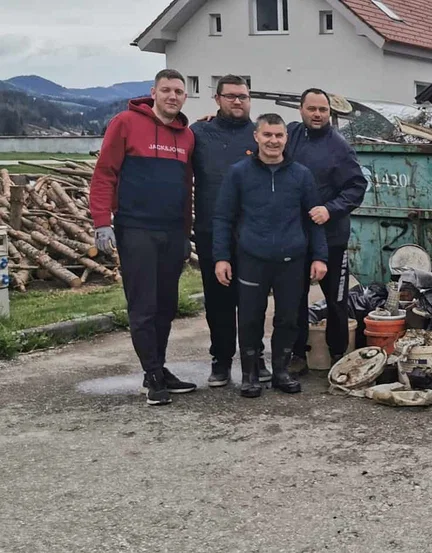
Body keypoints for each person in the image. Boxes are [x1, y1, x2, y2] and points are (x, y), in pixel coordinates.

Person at [90, 69, 197, 406]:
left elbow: (186, 188)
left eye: (178, 91)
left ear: (185, 97)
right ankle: (151, 375)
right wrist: (101, 221)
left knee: (166, 306)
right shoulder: (125, 123)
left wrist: (185, 232)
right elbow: (105, 173)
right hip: (136, 229)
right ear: (153, 92)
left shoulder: (187, 136)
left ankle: (158, 367)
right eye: (166, 90)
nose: (172, 96)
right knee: (144, 306)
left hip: (172, 230)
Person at [212, 113, 329, 398]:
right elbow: (223, 217)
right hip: (252, 258)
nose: (273, 141)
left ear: (286, 138)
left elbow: (314, 218)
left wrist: (320, 256)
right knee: (250, 318)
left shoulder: (301, 174)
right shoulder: (238, 173)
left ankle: (281, 371)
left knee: (288, 318)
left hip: (292, 260)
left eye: (278, 135)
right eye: (267, 135)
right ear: (256, 136)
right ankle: (250, 374)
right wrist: (221, 257)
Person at [189, 74, 270, 388]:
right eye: (231, 96)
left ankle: (255, 357)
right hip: (211, 231)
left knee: (253, 301)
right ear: (217, 99)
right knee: (218, 301)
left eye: (243, 96)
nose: (238, 101)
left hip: (253, 233)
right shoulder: (199, 133)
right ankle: (220, 361)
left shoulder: (259, 135)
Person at [285, 88, 367, 372]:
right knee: (294, 299)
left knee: (336, 301)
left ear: (330, 112)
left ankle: (338, 354)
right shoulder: (290, 135)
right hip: (295, 237)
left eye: (323, 109)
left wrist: (330, 209)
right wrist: (213, 120)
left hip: (332, 238)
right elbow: (258, 136)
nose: (317, 114)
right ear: (301, 109)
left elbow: (357, 187)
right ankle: (297, 354)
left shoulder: (339, 147)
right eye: (312, 109)